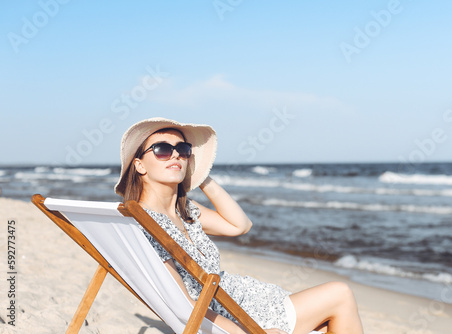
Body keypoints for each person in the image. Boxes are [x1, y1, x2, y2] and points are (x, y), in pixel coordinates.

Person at [114, 117, 364, 334]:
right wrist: (248, 331)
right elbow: (183, 302)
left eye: (183, 149)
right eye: (162, 150)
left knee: (329, 321)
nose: (176, 154)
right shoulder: (145, 224)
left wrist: (199, 176)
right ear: (139, 165)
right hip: (233, 317)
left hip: (249, 303)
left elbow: (240, 225)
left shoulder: (186, 211)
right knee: (340, 294)